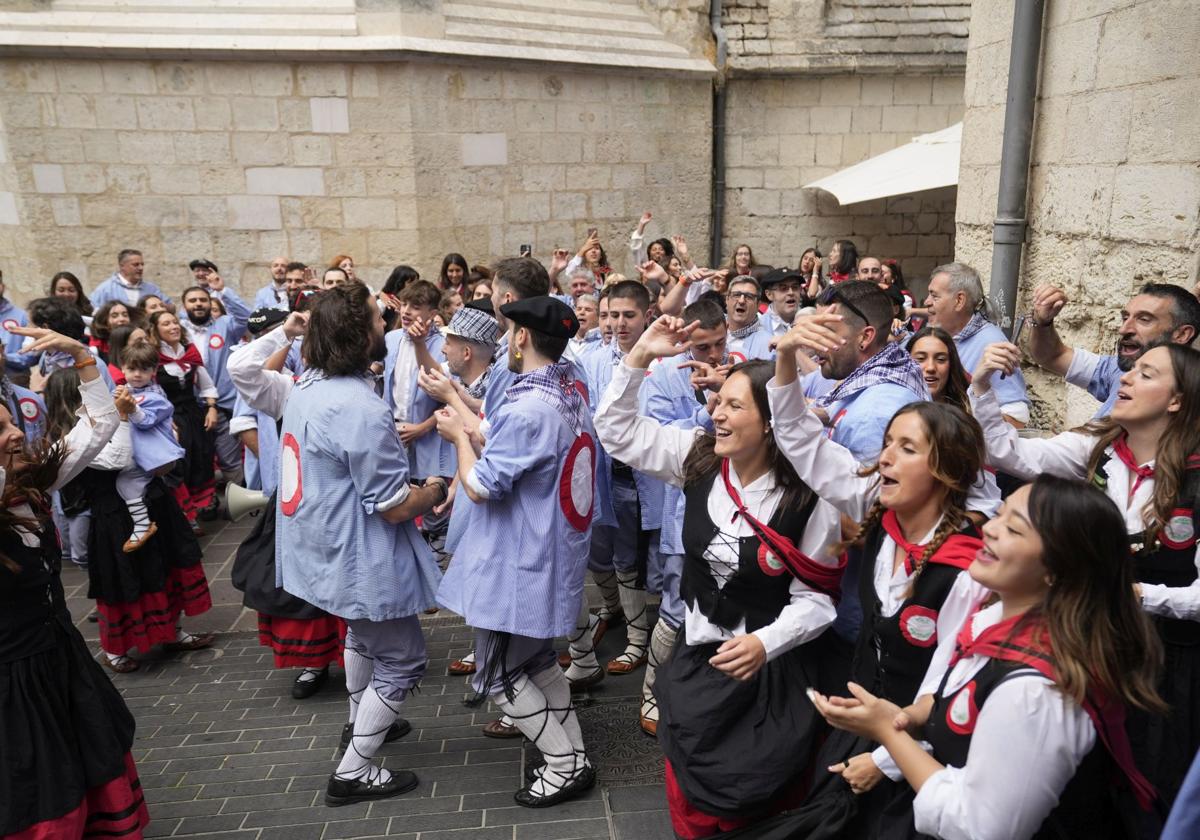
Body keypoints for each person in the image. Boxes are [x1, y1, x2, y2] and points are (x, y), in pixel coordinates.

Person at [594, 315, 844, 837]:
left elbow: (818, 600)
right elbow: (616, 431)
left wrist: (765, 643)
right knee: (691, 795)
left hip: (770, 676)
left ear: (772, 421)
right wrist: (640, 355)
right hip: (698, 661)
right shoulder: (698, 458)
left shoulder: (806, 496)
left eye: (734, 405)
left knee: (758, 804)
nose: (717, 413)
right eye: (718, 402)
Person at [804, 476, 1163, 840]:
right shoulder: (992, 621)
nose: (989, 528)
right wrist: (903, 718)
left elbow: (978, 828)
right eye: (999, 515)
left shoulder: (1036, 694)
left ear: (1057, 569)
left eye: (1014, 529)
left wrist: (887, 733)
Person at [759, 336, 991, 838]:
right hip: (865, 729)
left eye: (906, 449)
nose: (884, 457)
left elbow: (951, 691)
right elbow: (801, 440)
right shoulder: (878, 513)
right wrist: (785, 357)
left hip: (929, 749)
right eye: (887, 442)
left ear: (946, 470)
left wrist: (885, 761)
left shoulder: (970, 571)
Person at [970, 338, 1200, 822]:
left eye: (1146, 373)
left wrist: (1139, 594)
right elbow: (1011, 453)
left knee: (1154, 780)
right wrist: (982, 385)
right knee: (1083, 784)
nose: (1127, 378)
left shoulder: (1196, 482)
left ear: (1178, 400)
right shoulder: (1098, 451)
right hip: (1093, 644)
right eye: (1130, 370)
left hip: (1171, 662)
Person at [275, 283, 445, 807]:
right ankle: (354, 770)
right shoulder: (358, 405)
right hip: (357, 555)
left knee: (363, 639)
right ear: (356, 333)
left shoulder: (306, 385)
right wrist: (436, 488)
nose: (385, 327)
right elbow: (394, 504)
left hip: (319, 549)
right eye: (377, 319)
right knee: (403, 659)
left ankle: (361, 723)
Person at [434, 296, 597, 808]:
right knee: (540, 662)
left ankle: (564, 764)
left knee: (499, 676)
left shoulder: (530, 407)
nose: (503, 342)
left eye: (507, 333)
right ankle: (574, 753)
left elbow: (481, 485)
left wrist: (459, 436)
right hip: (549, 552)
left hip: (518, 561)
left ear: (522, 337)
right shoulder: (568, 385)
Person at [0, 326, 152, 840]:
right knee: (37, 782)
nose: (15, 433)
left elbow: (100, 424)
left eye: (8, 423)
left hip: (57, 657)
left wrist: (85, 357)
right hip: (12, 683)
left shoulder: (31, 482)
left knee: (86, 753)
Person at [44, 370, 211, 676]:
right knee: (124, 580)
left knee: (164, 568)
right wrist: (122, 418)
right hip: (114, 516)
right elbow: (116, 460)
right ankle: (114, 649)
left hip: (154, 500)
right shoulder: (70, 439)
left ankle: (171, 631)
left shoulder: (116, 415)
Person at [637, 298, 728, 736]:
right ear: (686, 343)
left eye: (719, 344)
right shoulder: (661, 381)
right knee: (674, 609)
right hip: (683, 515)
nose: (714, 356)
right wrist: (708, 412)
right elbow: (660, 441)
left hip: (733, 515)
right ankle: (652, 691)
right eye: (704, 347)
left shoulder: (740, 370)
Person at [575, 280, 664, 682]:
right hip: (605, 475)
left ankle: (639, 637)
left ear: (647, 315)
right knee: (601, 555)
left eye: (629, 315)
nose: (619, 323)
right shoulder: (594, 359)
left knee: (634, 559)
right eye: (612, 315)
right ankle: (613, 610)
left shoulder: (662, 361)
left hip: (645, 475)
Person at [1028, 282, 1200, 418]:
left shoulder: (1190, 400)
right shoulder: (1119, 369)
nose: (1124, 329)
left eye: (1144, 319)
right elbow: (1053, 356)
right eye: (1125, 318)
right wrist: (1043, 322)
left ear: (1183, 334)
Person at [383, 280, 455, 539]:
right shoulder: (391, 340)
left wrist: (422, 428)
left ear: (432, 313)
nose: (406, 311)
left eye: (415, 306)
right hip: (396, 430)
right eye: (403, 304)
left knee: (432, 501)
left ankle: (435, 559)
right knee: (399, 497)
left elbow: (447, 394)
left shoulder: (443, 343)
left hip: (430, 431)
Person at [924, 262, 1030, 425]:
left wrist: (962, 437)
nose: (926, 302)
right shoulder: (937, 336)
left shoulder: (992, 343)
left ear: (959, 301)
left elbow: (1016, 417)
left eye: (934, 296)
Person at [115, 339, 186, 552]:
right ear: (122, 367)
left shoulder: (156, 396)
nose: (137, 374)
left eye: (144, 369)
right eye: (132, 368)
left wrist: (129, 408)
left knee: (127, 483)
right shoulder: (121, 391)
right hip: (135, 451)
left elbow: (144, 420)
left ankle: (142, 525)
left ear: (154, 370)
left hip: (152, 455)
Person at [179, 278, 251, 489]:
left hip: (222, 404)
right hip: (190, 405)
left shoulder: (225, 325)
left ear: (211, 304)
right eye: (193, 300)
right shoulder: (178, 330)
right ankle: (206, 503)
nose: (198, 304)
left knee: (229, 456)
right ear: (184, 306)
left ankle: (238, 498)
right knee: (198, 457)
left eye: (203, 299)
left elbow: (246, 317)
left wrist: (223, 291)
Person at [150, 310, 218, 526]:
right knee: (181, 463)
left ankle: (201, 506)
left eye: (175, 322)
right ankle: (185, 513)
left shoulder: (190, 352)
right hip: (169, 417)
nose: (173, 326)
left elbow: (206, 385)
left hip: (193, 414)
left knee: (202, 457)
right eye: (166, 323)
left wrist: (212, 408)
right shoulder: (153, 357)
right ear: (156, 330)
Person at [906, 326, 971, 412]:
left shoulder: (971, 409)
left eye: (941, 359)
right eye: (920, 358)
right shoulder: (892, 408)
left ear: (952, 365)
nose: (931, 367)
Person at [91, 249, 171, 308]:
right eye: (136, 265)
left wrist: (163, 306)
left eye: (142, 264)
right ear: (122, 266)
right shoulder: (105, 289)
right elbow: (92, 311)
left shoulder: (151, 289)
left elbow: (171, 307)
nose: (141, 268)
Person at [724, 276, 773, 362]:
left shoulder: (767, 343)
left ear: (758, 305)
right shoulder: (711, 329)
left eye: (749, 296)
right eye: (736, 295)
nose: (741, 301)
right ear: (727, 300)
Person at [0, 268, 32, 379]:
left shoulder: (22, 316)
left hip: (14, 381)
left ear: (2, 286)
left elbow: (31, 355)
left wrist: (5, 358)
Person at [759, 268, 805, 339]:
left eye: (795, 287)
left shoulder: (809, 320)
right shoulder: (759, 327)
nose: (791, 292)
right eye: (783, 288)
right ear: (769, 294)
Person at [569, 293, 601, 360]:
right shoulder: (565, 339)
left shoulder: (603, 342)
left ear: (598, 317)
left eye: (588, 310)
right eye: (579, 309)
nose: (582, 312)